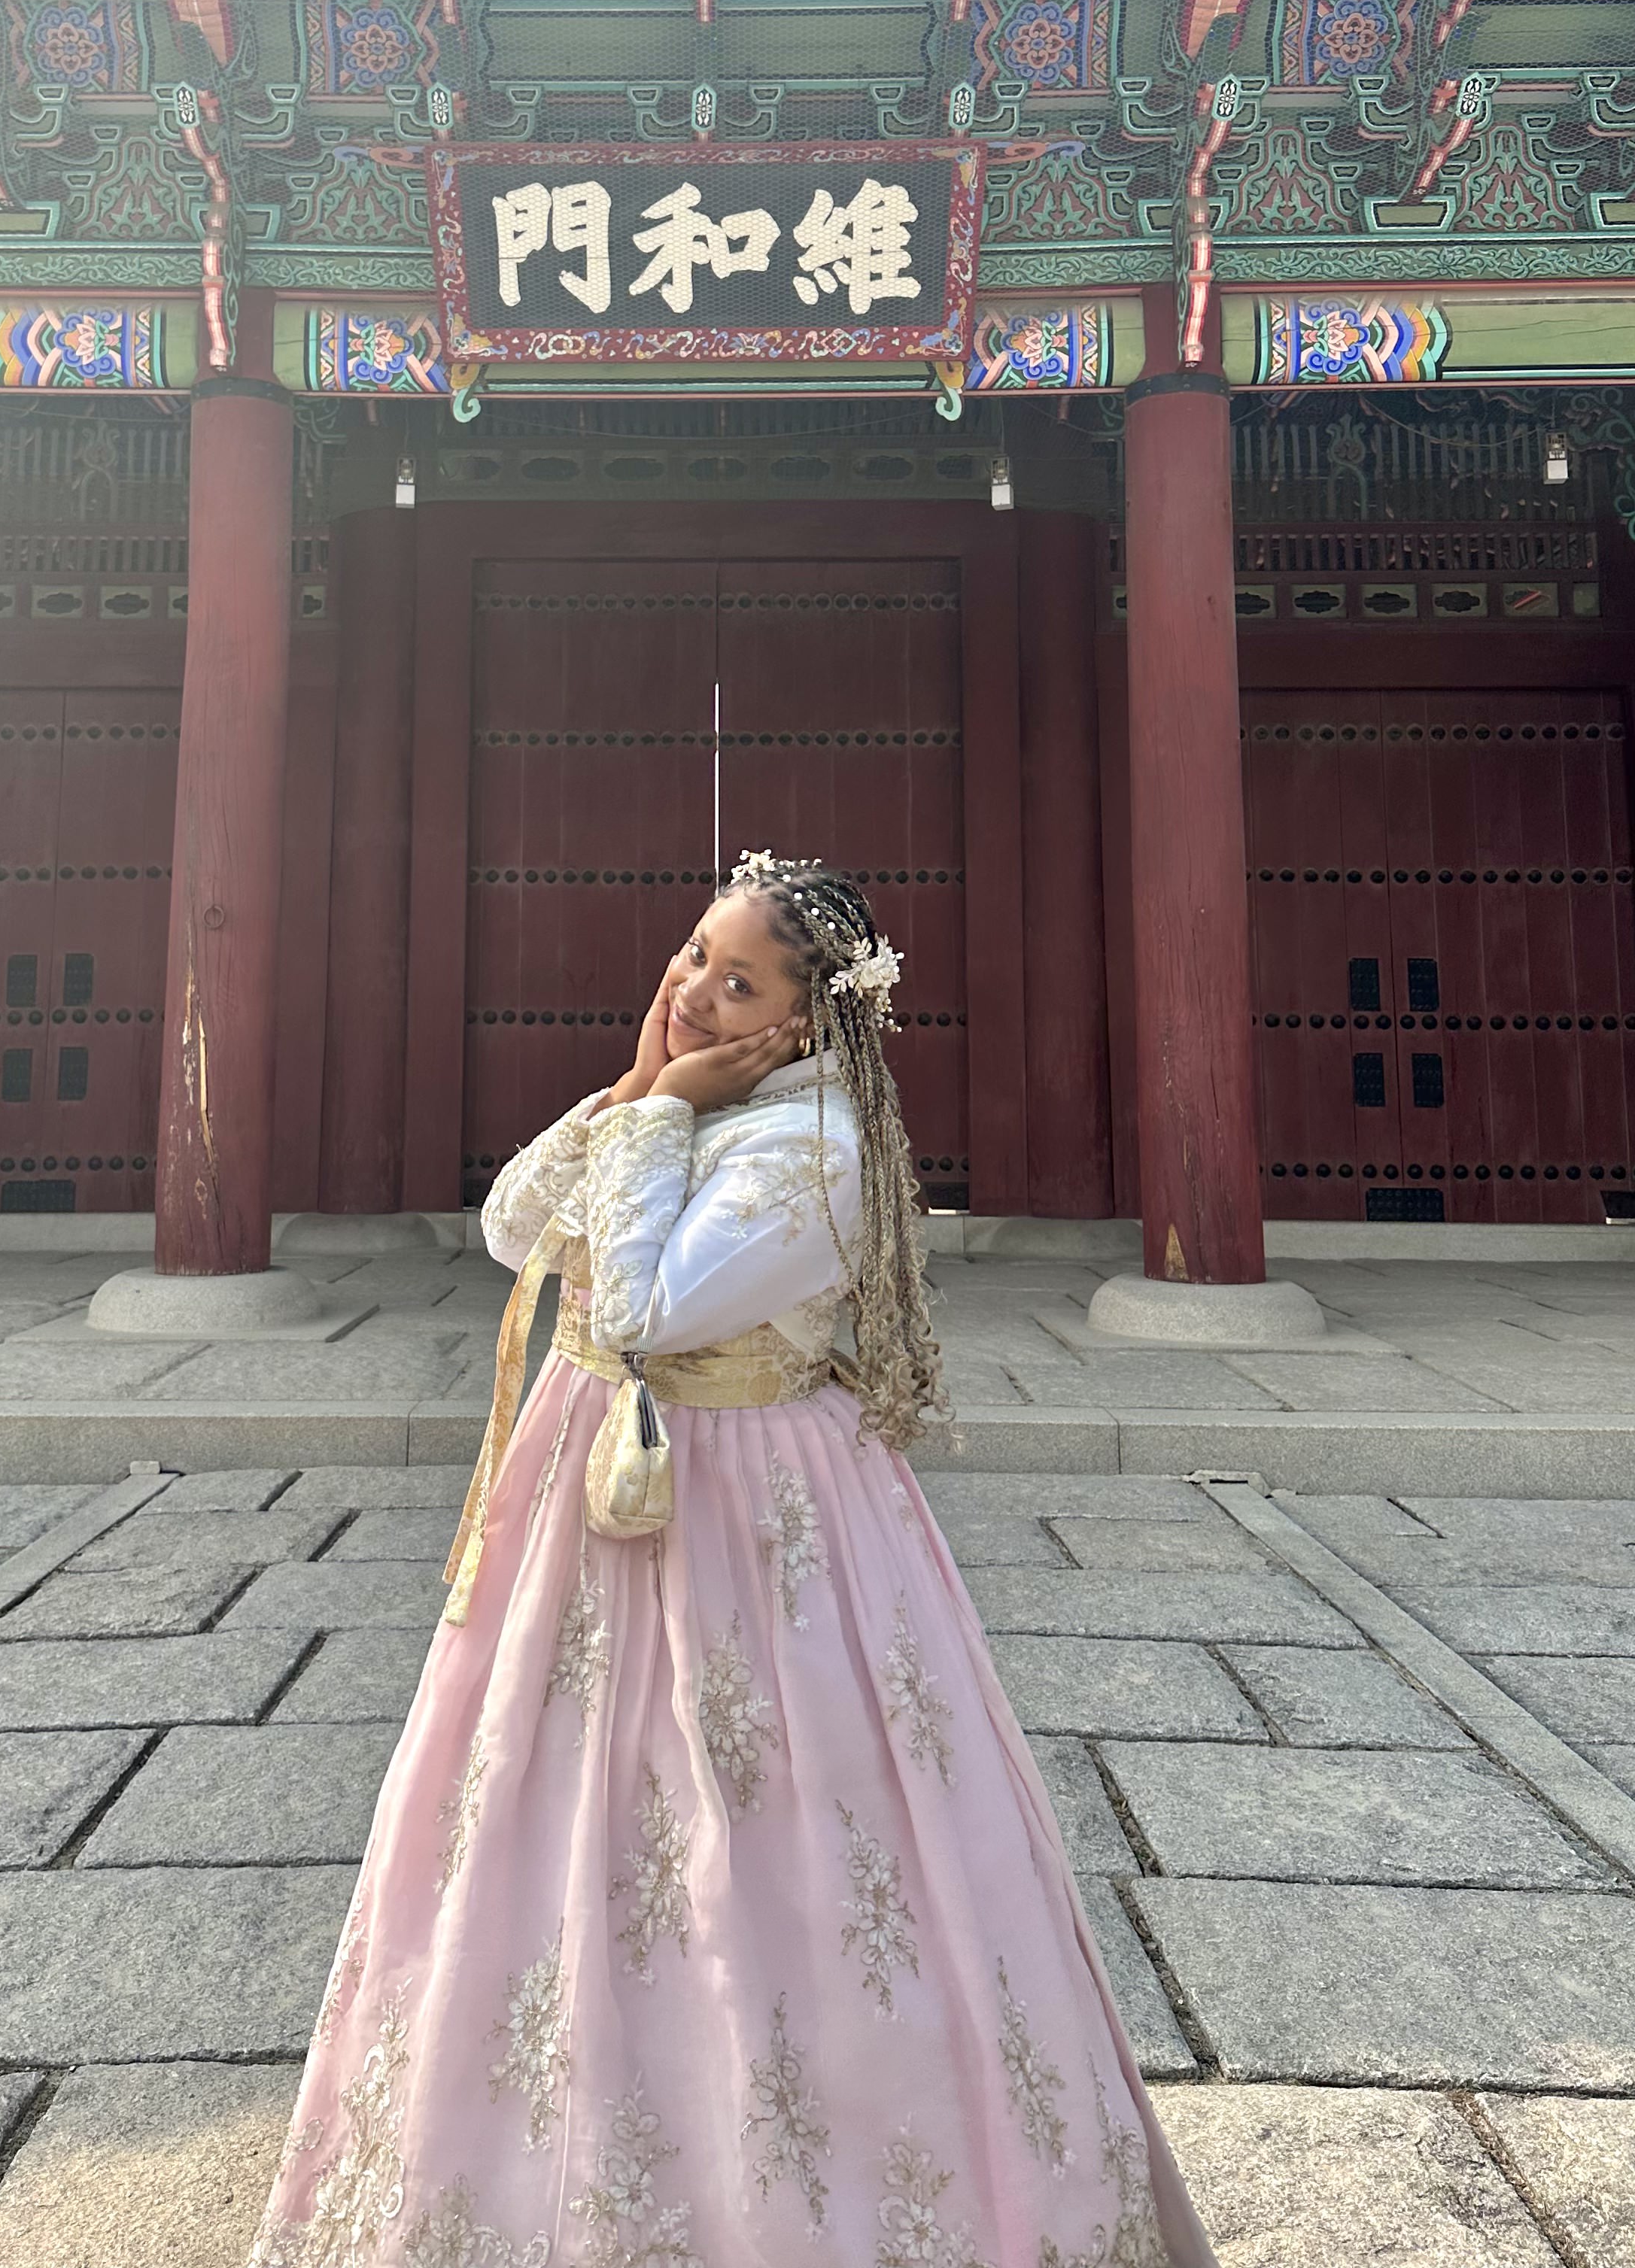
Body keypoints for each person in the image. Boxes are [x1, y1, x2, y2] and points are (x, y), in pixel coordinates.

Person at [252, 852, 1216, 2267]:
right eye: (694, 954)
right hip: (603, 1505)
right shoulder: (699, 1097)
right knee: (559, 1815)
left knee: (764, 1833)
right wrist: (644, 1090)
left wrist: (666, 1118)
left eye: (739, 979)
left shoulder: (813, 1152)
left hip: (756, 1517)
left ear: (808, 1022)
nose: (696, 989)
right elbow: (513, 1227)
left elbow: (637, 1307)